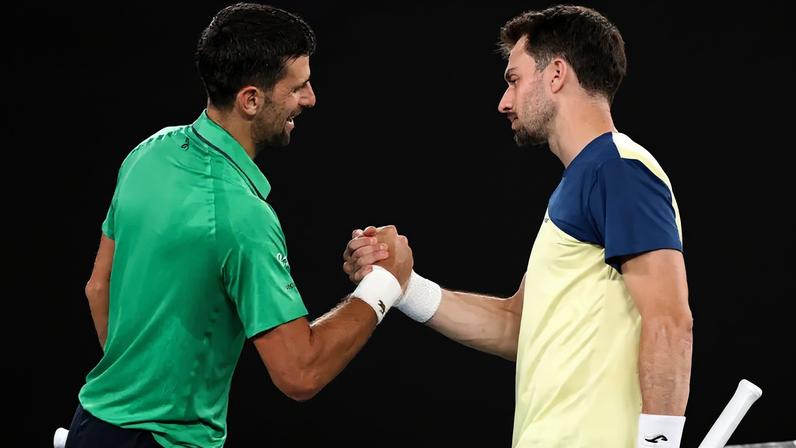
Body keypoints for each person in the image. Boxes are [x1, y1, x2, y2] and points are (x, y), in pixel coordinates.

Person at [344, 5, 693, 448]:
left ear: (556, 75)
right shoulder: (587, 179)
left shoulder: (618, 169)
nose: (503, 102)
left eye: (514, 79)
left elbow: (670, 322)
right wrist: (404, 285)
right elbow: (516, 325)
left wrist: (657, 445)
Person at [68, 4, 412, 448]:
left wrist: (135, 391)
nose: (310, 99)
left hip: (92, 424)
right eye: (298, 87)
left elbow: (99, 287)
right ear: (251, 99)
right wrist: (385, 284)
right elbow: (299, 372)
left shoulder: (146, 154)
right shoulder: (242, 216)